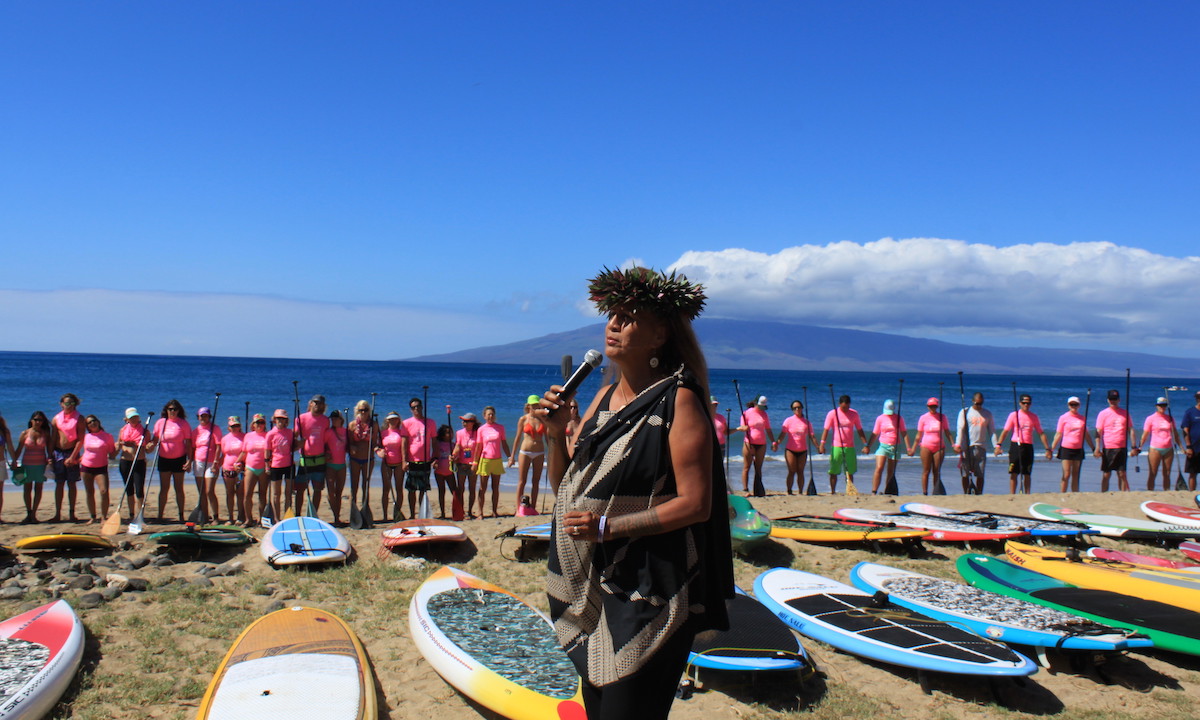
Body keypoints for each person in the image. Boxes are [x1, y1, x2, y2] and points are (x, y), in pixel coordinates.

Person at [542, 266, 732, 720]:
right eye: (611, 315)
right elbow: (569, 489)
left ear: (660, 334)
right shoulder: (602, 395)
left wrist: (609, 526)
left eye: (628, 317)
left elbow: (696, 503)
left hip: (651, 588)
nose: (614, 324)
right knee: (599, 707)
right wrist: (554, 436)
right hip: (592, 580)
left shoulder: (679, 398)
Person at [995, 394, 1051, 494]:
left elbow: (1041, 433)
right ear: (1020, 403)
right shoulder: (1013, 415)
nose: (1026, 405)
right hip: (1016, 445)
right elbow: (1005, 431)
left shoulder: (1034, 417)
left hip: (1028, 446)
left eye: (1028, 403)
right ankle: (1012, 494)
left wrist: (1048, 449)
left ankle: (1027, 494)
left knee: (1027, 473)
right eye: (1024, 403)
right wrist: (998, 445)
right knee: (1014, 472)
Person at [151, 399, 192, 523]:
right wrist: (150, 446)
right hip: (164, 459)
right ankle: (160, 515)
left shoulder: (183, 424)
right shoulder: (160, 423)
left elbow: (189, 443)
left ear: (179, 411)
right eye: (170, 409)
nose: (172, 411)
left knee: (179, 488)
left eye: (175, 409)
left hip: (179, 459)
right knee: (164, 488)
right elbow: (155, 439)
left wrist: (190, 460)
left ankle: (181, 515)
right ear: (166, 410)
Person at [819, 395, 868, 494]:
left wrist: (865, 444)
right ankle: (833, 491)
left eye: (847, 407)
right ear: (839, 404)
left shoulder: (854, 414)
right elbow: (826, 430)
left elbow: (859, 430)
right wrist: (822, 444)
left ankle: (849, 490)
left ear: (849, 404)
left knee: (850, 471)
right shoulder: (832, 414)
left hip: (849, 446)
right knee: (834, 471)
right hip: (837, 446)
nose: (845, 409)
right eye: (843, 407)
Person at [49, 393, 85, 523]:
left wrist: (73, 456)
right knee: (59, 483)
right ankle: (57, 513)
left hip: (72, 453)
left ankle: (72, 513)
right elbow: (53, 438)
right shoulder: (56, 419)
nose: (69, 406)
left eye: (71, 403)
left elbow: (81, 440)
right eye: (66, 403)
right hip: (58, 453)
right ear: (61, 404)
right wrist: (50, 455)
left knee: (71, 483)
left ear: (75, 404)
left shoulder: (79, 418)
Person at [509, 395, 547, 515]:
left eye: (537, 404)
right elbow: (517, 437)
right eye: (533, 405)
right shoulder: (523, 419)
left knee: (536, 481)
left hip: (539, 452)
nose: (535, 407)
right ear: (528, 406)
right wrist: (512, 456)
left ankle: (533, 508)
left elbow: (547, 438)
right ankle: (518, 509)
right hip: (525, 451)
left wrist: (552, 453)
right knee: (522, 481)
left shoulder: (543, 419)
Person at [1094, 389, 1138, 492]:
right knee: (1106, 473)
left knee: (1122, 473)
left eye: (1115, 399)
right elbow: (1098, 432)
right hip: (1108, 447)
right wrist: (1097, 448)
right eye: (1111, 399)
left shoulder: (1125, 413)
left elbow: (1131, 430)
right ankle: (1103, 494)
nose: (1113, 401)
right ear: (1108, 400)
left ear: (1119, 400)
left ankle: (1122, 494)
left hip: (1121, 447)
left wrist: (1133, 446)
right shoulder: (1103, 414)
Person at [75, 414, 117, 523]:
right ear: (87, 426)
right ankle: (93, 517)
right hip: (86, 467)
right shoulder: (86, 436)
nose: (92, 423)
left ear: (98, 421)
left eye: (93, 421)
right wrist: (76, 459)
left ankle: (103, 517)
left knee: (104, 491)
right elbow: (82, 450)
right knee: (89, 492)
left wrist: (120, 447)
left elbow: (112, 453)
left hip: (101, 467)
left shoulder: (107, 436)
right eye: (89, 422)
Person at [12, 411, 51, 523]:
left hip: (40, 465)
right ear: (31, 421)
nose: (38, 422)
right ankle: (28, 513)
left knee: (38, 489)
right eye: (36, 419)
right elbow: (19, 450)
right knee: (27, 489)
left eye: (40, 420)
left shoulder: (45, 434)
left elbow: (49, 450)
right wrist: (14, 461)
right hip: (27, 464)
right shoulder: (25, 433)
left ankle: (34, 514)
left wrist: (50, 460)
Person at [910, 398, 954, 495]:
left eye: (934, 406)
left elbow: (947, 432)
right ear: (927, 406)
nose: (932, 408)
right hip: (926, 446)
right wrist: (913, 448)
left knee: (936, 471)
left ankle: (936, 491)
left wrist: (953, 444)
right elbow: (919, 435)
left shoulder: (942, 417)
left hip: (939, 447)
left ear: (937, 406)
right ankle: (925, 492)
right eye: (930, 406)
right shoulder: (923, 418)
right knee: (926, 471)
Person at [1050, 396, 1096, 492]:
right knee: (1066, 474)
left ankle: (1075, 494)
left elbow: (1086, 435)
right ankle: (1062, 494)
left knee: (1076, 474)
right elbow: (1058, 434)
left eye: (1075, 404)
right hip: (1066, 449)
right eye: (1072, 404)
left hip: (1078, 449)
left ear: (1079, 406)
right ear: (1068, 405)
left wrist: (1093, 448)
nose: (1074, 406)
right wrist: (1051, 449)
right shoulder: (1063, 418)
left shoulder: (1082, 418)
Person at [864, 399, 909, 494]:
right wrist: (868, 446)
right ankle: (874, 491)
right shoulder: (880, 418)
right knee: (879, 467)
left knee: (891, 471)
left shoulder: (899, 418)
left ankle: (887, 491)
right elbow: (875, 433)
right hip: (883, 446)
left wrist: (908, 448)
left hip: (895, 447)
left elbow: (904, 433)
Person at [472, 406, 510, 518]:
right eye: (488, 414)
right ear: (484, 416)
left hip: (497, 460)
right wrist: (475, 462)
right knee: (482, 488)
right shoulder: (481, 429)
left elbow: (504, 443)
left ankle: (494, 511)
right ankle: (480, 512)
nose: (491, 416)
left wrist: (509, 456)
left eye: (492, 414)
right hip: (485, 460)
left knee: (495, 487)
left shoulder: (500, 428)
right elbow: (478, 447)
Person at [953, 392, 995, 494]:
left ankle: (979, 493)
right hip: (966, 446)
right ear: (973, 401)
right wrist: (958, 444)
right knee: (965, 473)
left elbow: (992, 431)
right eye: (977, 403)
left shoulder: (987, 414)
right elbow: (960, 429)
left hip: (981, 446)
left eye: (981, 403)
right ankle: (966, 492)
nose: (979, 406)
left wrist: (996, 446)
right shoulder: (965, 412)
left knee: (980, 473)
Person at [296, 395, 330, 518]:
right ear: (310, 403)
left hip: (320, 459)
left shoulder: (325, 420)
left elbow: (326, 439)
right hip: (305, 459)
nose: (317, 405)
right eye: (315, 402)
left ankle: (313, 514)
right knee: (300, 489)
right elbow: (295, 436)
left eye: (320, 403)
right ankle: (298, 514)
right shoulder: (301, 418)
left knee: (317, 489)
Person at [403, 398, 437, 520]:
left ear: (422, 407)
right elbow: (404, 442)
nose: (416, 409)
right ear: (411, 409)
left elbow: (434, 441)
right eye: (413, 407)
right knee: (411, 490)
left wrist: (435, 457)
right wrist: (404, 460)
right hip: (412, 461)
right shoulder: (406, 423)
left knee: (423, 489)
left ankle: (422, 513)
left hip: (425, 461)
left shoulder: (430, 423)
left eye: (418, 406)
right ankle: (412, 514)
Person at [774, 400, 817, 494]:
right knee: (792, 470)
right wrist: (776, 443)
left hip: (803, 450)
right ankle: (789, 490)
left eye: (798, 407)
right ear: (792, 410)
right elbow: (782, 434)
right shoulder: (788, 421)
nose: (797, 409)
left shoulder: (807, 422)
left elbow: (812, 436)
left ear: (802, 408)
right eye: (794, 408)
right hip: (790, 450)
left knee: (800, 471)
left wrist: (818, 446)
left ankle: (800, 491)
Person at [117, 408, 149, 527]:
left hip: (139, 461)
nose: (134, 419)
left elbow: (148, 448)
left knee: (139, 489)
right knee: (129, 489)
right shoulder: (123, 430)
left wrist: (149, 445)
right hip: (125, 461)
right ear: (127, 419)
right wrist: (119, 446)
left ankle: (140, 515)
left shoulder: (145, 431)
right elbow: (118, 445)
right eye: (131, 418)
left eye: (135, 417)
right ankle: (131, 514)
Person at [1141, 397, 1182, 491]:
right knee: (1153, 472)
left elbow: (1175, 433)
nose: (1162, 407)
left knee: (1167, 473)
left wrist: (1181, 447)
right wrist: (1140, 447)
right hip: (1155, 448)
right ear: (1156, 406)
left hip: (1168, 448)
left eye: (1164, 405)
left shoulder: (1170, 418)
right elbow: (1145, 434)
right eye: (1160, 405)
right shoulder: (1150, 418)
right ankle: (1150, 492)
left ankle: (1166, 492)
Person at [237, 414, 270, 527]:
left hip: (263, 469)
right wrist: (237, 462)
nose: (260, 425)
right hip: (250, 467)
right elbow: (244, 452)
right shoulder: (248, 436)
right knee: (247, 494)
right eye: (257, 423)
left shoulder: (268, 436)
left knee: (262, 494)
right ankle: (248, 519)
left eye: (262, 423)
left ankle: (262, 519)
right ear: (253, 424)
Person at [264, 409, 296, 522]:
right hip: (275, 465)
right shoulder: (270, 434)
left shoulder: (290, 432)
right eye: (278, 419)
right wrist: (267, 466)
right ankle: (277, 519)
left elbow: (294, 446)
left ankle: (287, 517)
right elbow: (267, 451)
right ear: (274, 420)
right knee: (276, 494)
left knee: (288, 493)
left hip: (289, 465)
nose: (280, 421)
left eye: (282, 419)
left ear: (286, 420)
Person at [738, 396, 774, 496]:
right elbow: (742, 427)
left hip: (761, 444)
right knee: (747, 466)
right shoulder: (746, 413)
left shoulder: (764, 414)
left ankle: (758, 489)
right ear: (755, 403)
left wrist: (773, 442)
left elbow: (768, 429)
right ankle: (745, 490)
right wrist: (744, 428)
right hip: (749, 443)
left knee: (758, 467)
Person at [347, 400, 377, 519]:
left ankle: (365, 509)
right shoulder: (352, 425)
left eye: (365, 410)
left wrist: (377, 450)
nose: (363, 412)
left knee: (366, 484)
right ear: (357, 411)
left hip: (368, 458)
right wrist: (352, 446)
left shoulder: (373, 425)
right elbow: (349, 443)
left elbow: (374, 441)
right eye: (361, 410)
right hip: (355, 459)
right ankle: (353, 509)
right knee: (354, 485)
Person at [191, 407, 222, 522]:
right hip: (198, 463)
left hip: (211, 463)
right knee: (201, 492)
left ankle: (216, 516)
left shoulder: (215, 429)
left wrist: (216, 462)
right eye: (201, 416)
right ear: (198, 417)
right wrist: (190, 461)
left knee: (209, 491)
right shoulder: (196, 431)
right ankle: (204, 516)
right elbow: (193, 448)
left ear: (209, 417)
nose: (203, 418)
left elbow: (219, 446)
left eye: (205, 416)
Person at [376, 411, 408, 520]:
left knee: (399, 489)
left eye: (395, 419)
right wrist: (379, 452)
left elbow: (405, 448)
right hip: (386, 464)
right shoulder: (383, 433)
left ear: (398, 420)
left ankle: (397, 512)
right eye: (391, 419)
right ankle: (385, 515)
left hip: (399, 464)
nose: (393, 421)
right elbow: (376, 446)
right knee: (386, 489)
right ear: (387, 420)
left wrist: (406, 461)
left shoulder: (402, 432)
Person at [218, 416, 245, 525]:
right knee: (229, 493)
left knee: (240, 493)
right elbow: (223, 454)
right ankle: (230, 517)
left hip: (240, 470)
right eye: (232, 426)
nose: (235, 428)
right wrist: (217, 466)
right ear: (229, 427)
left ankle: (240, 516)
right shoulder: (225, 439)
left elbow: (246, 452)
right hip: (227, 468)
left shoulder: (244, 437)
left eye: (237, 426)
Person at [451, 413, 479, 518]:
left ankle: (470, 511)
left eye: (466, 421)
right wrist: (454, 455)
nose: (464, 423)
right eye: (463, 421)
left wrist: (476, 462)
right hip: (461, 464)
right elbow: (458, 445)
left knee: (472, 488)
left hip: (473, 464)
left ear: (472, 423)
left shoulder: (477, 433)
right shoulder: (459, 433)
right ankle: (461, 510)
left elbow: (479, 448)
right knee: (461, 488)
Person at [323, 410, 348, 525]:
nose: (334, 421)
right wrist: (326, 453)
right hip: (330, 466)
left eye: (336, 418)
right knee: (331, 492)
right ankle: (335, 516)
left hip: (342, 465)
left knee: (339, 493)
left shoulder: (345, 432)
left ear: (341, 420)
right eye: (332, 419)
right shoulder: (328, 432)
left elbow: (349, 446)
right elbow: (322, 445)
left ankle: (337, 517)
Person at [433, 424, 456, 519]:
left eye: (451, 432)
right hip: (439, 471)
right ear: (442, 435)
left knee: (455, 491)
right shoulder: (438, 444)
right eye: (447, 433)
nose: (450, 434)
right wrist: (434, 462)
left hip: (450, 472)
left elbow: (457, 457)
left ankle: (457, 510)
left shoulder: (453, 445)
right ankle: (442, 513)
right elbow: (434, 456)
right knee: (441, 491)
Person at [1182, 391, 1200, 492]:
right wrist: (1188, 447)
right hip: (1194, 448)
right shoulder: (1190, 412)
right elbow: (1185, 430)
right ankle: (1191, 492)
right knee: (1193, 473)